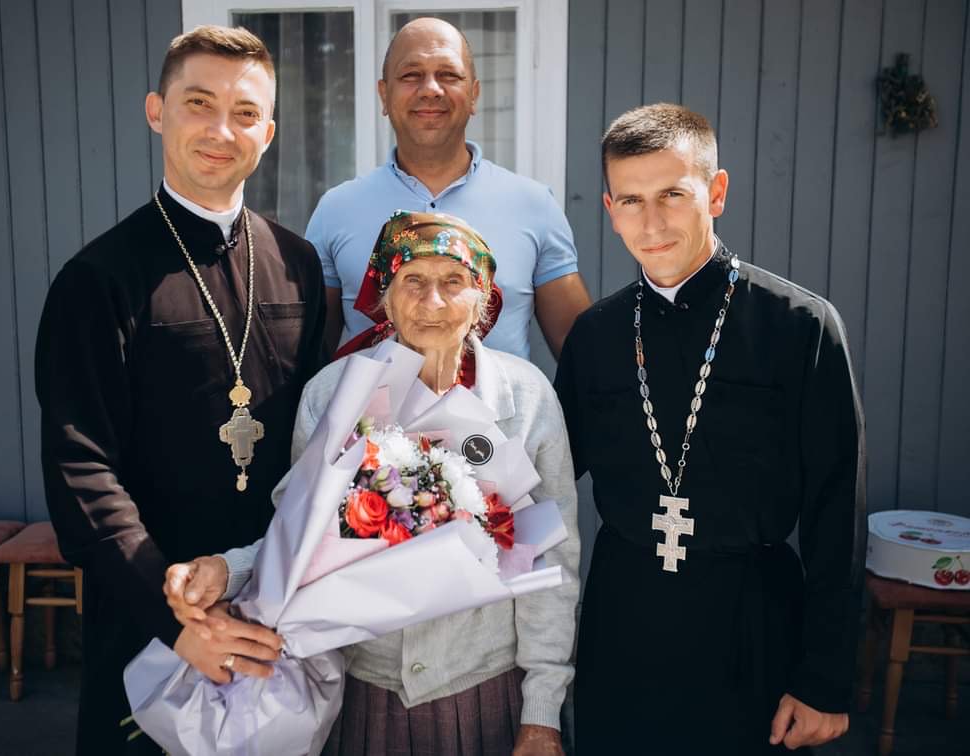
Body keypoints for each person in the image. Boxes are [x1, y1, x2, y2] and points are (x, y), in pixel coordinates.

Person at [167, 211, 580, 755]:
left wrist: (542, 711)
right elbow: (298, 542)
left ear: (482, 296)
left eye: (453, 281)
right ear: (386, 296)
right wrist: (230, 570)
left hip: (484, 687)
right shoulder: (334, 393)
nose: (433, 301)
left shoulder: (526, 398)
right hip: (363, 690)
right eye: (413, 281)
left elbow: (551, 562)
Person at [34, 26, 325, 754]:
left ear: (268, 133)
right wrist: (177, 623)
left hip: (278, 614)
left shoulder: (297, 264)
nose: (222, 130)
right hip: (148, 620)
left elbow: (324, 445)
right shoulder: (99, 279)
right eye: (199, 103)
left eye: (246, 112)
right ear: (156, 111)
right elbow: (81, 470)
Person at [554, 104, 866, 755]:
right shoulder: (596, 335)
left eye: (673, 194)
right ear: (610, 209)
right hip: (623, 623)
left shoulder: (800, 327)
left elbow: (837, 511)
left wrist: (825, 680)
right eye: (632, 200)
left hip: (750, 623)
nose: (652, 222)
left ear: (716, 192)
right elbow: (542, 476)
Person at [306, 17, 591, 361]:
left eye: (449, 75)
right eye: (411, 75)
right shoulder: (336, 210)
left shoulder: (534, 205)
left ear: (474, 94)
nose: (430, 89)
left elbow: (584, 359)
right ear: (384, 94)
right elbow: (310, 360)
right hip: (372, 399)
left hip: (502, 399)